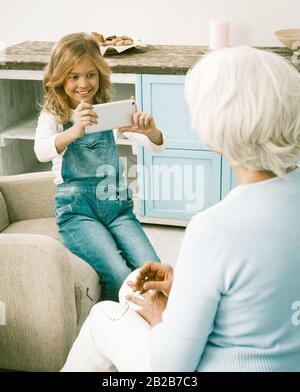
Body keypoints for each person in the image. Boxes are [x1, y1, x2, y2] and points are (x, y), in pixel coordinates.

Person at [61, 46, 300, 372]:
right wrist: (189, 286)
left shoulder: (215, 229)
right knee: (133, 277)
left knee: (104, 313)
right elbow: (266, 291)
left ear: (216, 126)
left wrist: (162, 318)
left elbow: (171, 368)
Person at [34, 32, 163, 301]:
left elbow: (152, 144)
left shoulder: (107, 110)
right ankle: (115, 320)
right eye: (74, 76)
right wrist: (75, 130)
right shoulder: (54, 115)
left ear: (100, 75)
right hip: (77, 211)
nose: (83, 83)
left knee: (153, 270)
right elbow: (41, 151)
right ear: (60, 78)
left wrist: (151, 132)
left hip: (116, 206)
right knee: (118, 274)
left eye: (90, 74)